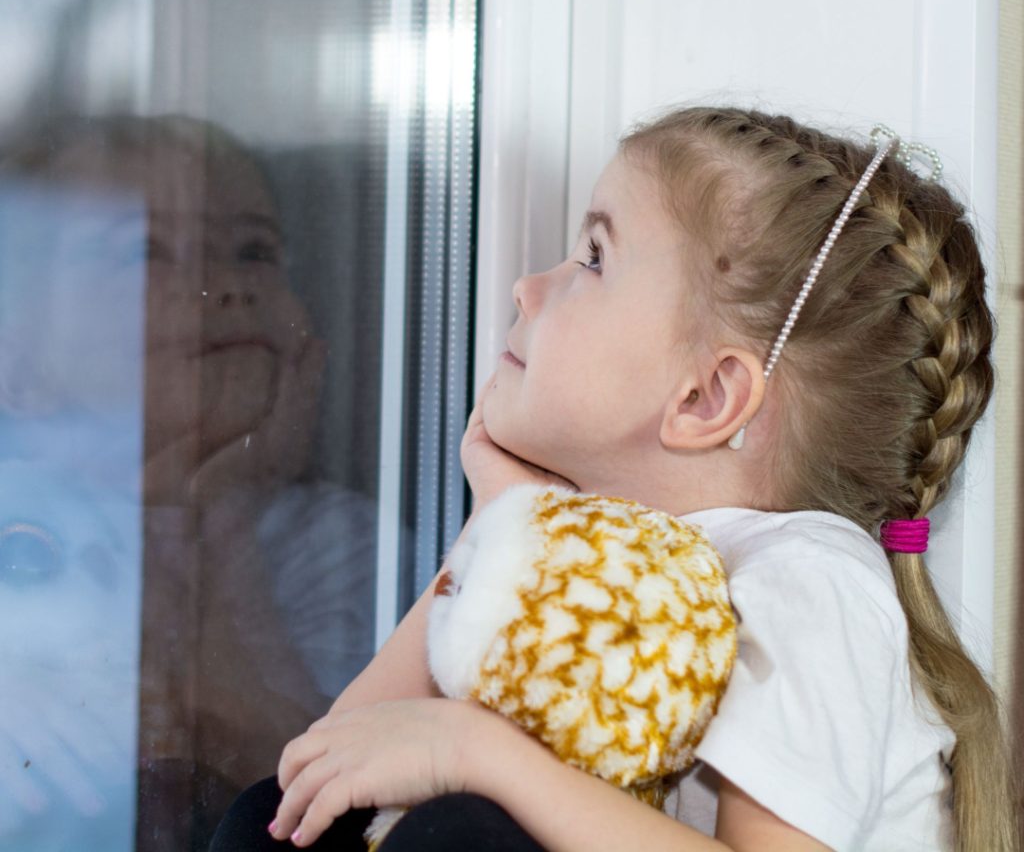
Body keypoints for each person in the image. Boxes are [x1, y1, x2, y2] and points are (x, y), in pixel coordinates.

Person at [210, 106, 1017, 852]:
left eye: (592, 259)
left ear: (706, 398)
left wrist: (476, 754)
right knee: (268, 821)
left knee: (465, 829)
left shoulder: (815, 581)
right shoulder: (607, 552)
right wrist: (507, 524)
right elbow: (328, 773)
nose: (528, 289)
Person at [0, 115, 377, 851]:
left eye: (253, 251)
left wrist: (216, 518)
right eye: (144, 251)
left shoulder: (336, 545)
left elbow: (321, 806)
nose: (224, 286)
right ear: (18, 361)